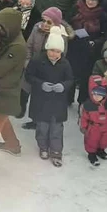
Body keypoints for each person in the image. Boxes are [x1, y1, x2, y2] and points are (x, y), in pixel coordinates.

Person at [24, 28, 75, 167]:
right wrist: (41, 84)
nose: (54, 54)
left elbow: (70, 79)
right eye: (52, 50)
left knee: (57, 128)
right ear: (47, 48)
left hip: (58, 102)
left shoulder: (65, 64)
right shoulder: (37, 60)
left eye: (58, 51)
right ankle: (43, 147)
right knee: (42, 126)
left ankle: (57, 151)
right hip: (41, 100)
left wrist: (63, 86)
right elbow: (28, 76)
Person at [80, 76, 107, 166]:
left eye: (100, 94)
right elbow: (84, 117)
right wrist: (83, 126)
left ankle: (101, 150)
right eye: (95, 93)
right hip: (94, 127)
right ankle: (91, 154)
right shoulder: (88, 105)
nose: (97, 97)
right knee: (92, 141)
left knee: (105, 140)